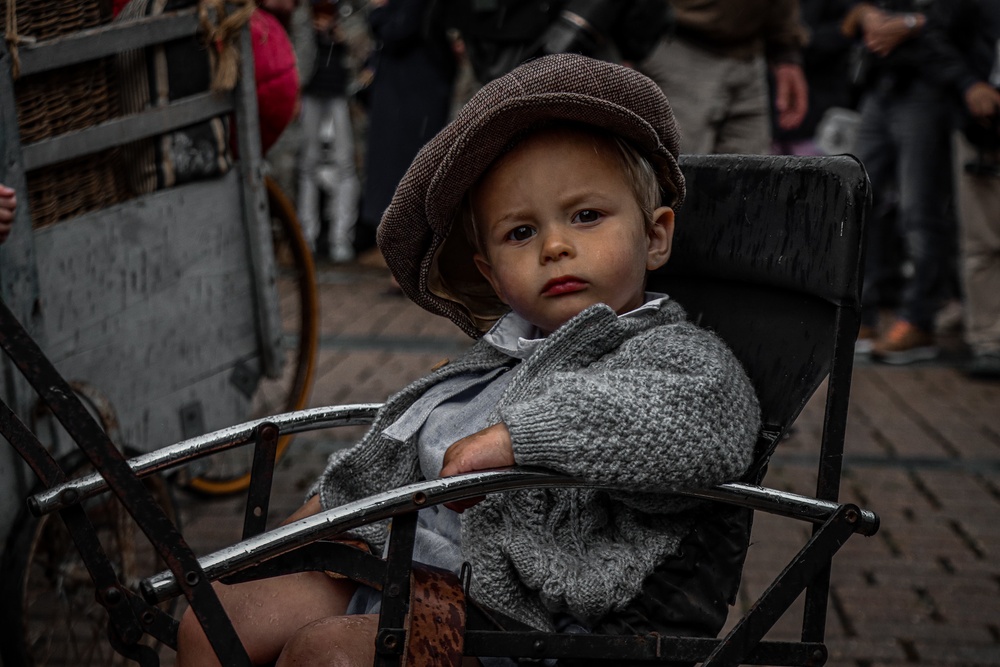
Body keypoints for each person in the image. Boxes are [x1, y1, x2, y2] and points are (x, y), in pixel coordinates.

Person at [175, 53, 761, 667]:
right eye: (520, 233)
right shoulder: (490, 365)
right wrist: (313, 520)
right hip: (394, 564)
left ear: (657, 234)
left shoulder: (673, 355)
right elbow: (390, 457)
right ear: (490, 273)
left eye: (587, 216)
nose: (556, 246)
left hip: (512, 618)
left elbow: (700, 427)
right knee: (213, 619)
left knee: (330, 657)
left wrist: (519, 439)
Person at [843, 1, 957, 363]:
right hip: (879, 86)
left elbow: (970, 16)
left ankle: (918, 320)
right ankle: (863, 315)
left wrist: (912, 22)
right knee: (859, 200)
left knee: (919, 210)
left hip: (929, 87)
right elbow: (845, 21)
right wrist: (866, 16)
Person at [923, 0, 1000, 378]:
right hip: (982, 126)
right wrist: (969, 84)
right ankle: (988, 341)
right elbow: (936, 37)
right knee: (982, 241)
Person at [638, 0, 810, 155]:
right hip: (681, 45)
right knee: (674, 169)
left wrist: (787, 53)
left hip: (749, 56)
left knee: (751, 176)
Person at [355, 0, 457, 253]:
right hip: (407, 94)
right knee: (399, 177)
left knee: (408, 177)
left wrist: (378, 10)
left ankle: (410, 262)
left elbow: (397, 31)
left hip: (413, 96)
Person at [296, 0, 361, 261]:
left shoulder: (351, 9)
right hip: (308, 95)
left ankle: (341, 240)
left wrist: (341, 33)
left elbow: (365, 47)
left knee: (345, 167)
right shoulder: (302, 12)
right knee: (307, 166)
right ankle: (305, 239)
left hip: (343, 97)